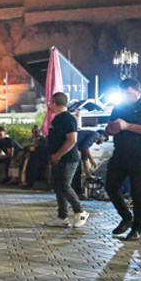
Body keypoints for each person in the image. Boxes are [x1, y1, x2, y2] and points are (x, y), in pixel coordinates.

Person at [105, 78, 141, 241]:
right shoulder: (119, 107)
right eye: (123, 94)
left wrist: (127, 126)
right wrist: (110, 129)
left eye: (128, 94)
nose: (126, 97)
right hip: (120, 154)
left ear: (138, 92)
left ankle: (137, 227)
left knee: (138, 193)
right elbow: (110, 127)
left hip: (140, 155)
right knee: (111, 187)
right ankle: (126, 217)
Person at [45, 92, 89, 228]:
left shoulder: (67, 119)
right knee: (58, 186)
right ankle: (62, 216)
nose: (49, 105)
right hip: (58, 158)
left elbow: (72, 139)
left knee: (64, 185)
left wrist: (58, 154)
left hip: (68, 158)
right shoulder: (57, 119)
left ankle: (80, 211)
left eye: (50, 102)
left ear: (54, 103)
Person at [72, 128, 108, 196]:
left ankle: (76, 193)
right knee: (77, 171)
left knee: (77, 170)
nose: (102, 142)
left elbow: (84, 158)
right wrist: (91, 159)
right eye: (104, 139)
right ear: (102, 135)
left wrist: (88, 174)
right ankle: (77, 193)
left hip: (71, 147)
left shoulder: (87, 139)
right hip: (71, 147)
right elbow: (85, 147)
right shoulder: (95, 134)